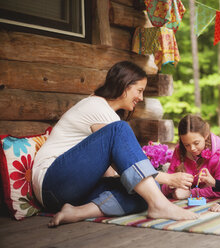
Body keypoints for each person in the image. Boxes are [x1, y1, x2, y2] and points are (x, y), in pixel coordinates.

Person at [32, 61, 198, 227]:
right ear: (124, 86)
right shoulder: (96, 106)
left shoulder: (109, 118)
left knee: (145, 191)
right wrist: (169, 178)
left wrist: (150, 183)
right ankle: (160, 205)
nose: (140, 98)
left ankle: (77, 212)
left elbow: (114, 172)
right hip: (52, 184)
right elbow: (122, 164)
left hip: (72, 193)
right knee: (121, 132)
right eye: (139, 91)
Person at [162, 114, 220, 200]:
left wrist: (191, 193)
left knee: (212, 183)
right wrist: (172, 184)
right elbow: (165, 188)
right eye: (187, 145)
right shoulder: (179, 151)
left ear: (205, 136)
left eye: (196, 143)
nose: (192, 148)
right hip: (198, 178)